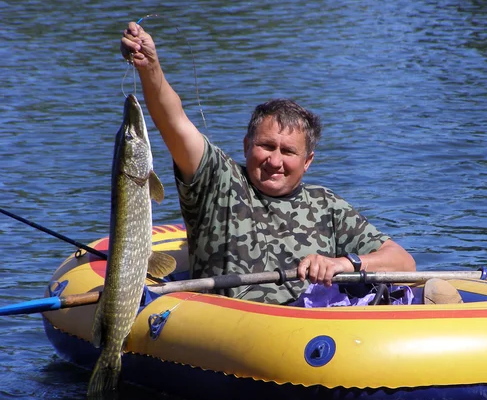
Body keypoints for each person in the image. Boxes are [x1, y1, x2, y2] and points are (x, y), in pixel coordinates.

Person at [120, 22, 418, 305]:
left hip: (312, 327)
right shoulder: (218, 179)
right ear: (247, 145)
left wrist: (344, 262)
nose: (275, 161)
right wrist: (150, 68)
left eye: (288, 151)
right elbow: (173, 120)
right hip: (233, 327)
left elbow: (403, 262)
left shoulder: (327, 206)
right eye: (265, 146)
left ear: (307, 161)